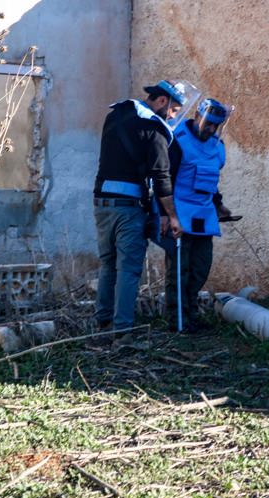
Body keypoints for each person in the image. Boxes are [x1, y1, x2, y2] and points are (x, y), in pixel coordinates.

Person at [93, 80, 193, 345]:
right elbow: (161, 177)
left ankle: (102, 325)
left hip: (101, 202)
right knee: (128, 269)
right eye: (174, 110)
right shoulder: (154, 129)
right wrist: (171, 216)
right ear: (162, 101)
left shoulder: (116, 114)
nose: (173, 117)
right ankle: (122, 333)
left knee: (107, 264)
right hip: (128, 208)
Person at [163, 98, 233, 332]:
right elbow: (165, 180)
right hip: (180, 214)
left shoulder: (216, 145)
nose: (210, 129)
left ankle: (192, 312)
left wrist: (219, 205)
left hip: (204, 214)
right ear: (197, 116)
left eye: (215, 125)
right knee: (179, 270)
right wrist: (165, 214)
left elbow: (209, 180)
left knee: (201, 267)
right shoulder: (178, 141)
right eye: (208, 124)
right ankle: (177, 318)